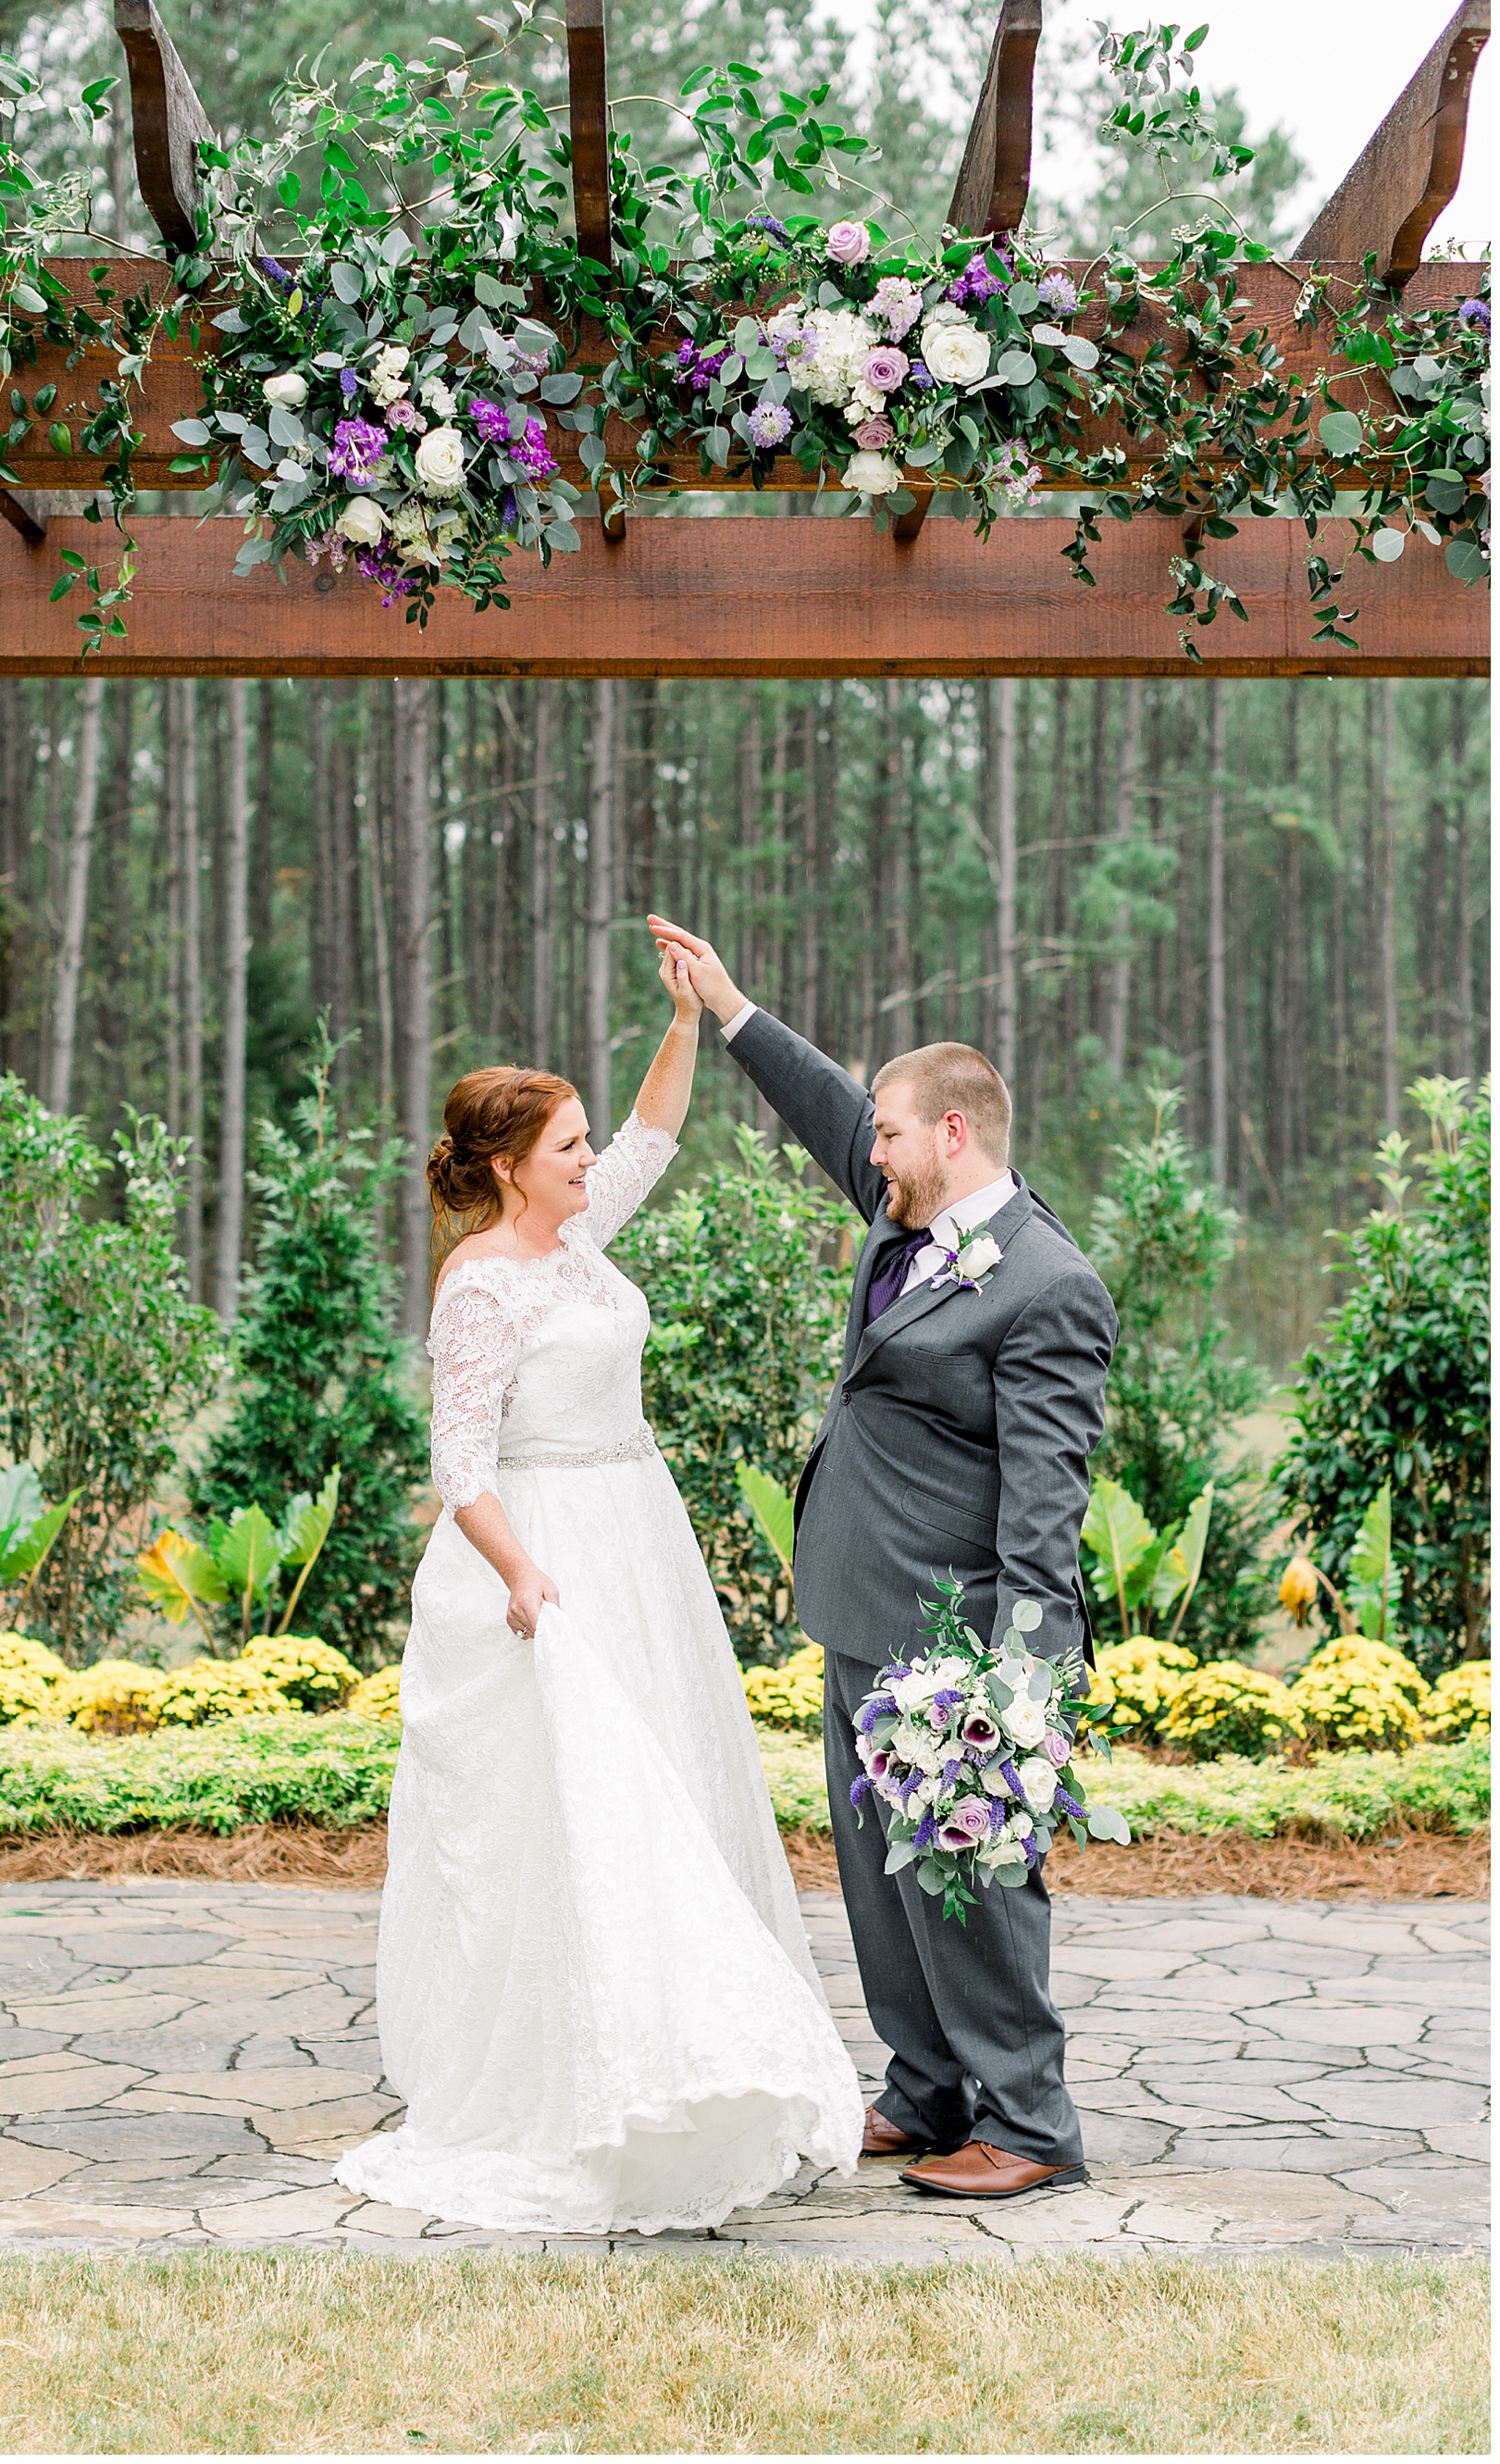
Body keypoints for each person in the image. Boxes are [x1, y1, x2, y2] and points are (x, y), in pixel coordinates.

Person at [334, 944, 862, 2237]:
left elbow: (656, 1129)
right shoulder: (483, 1281)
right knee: (570, 1812)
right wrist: (524, 1578)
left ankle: (679, 2044)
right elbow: (459, 1462)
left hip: (639, 1535)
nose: (588, 1158)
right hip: (543, 1550)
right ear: (509, 1165)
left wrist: (686, 1017)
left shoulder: (579, 1235)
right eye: (565, 1145)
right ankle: (568, 2078)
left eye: (582, 1141)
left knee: (664, 1781)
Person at [647, 912, 1116, 2205]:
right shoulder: (911, 1222)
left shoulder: (1045, 1285)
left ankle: (1028, 2120)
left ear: (953, 1134)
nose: (873, 1150)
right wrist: (733, 1008)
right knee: (884, 1882)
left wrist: (1021, 1688)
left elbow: (1045, 1503)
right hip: (862, 1617)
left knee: (971, 1880)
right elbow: (827, 1106)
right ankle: (927, 2089)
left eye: (893, 1133)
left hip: (957, 1640)